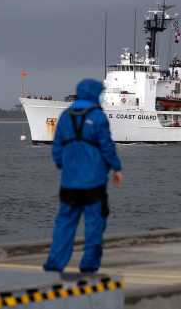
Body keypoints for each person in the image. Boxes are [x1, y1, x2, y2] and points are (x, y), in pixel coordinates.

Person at [43, 79, 123, 273]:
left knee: (64, 224)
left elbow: (57, 148)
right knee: (94, 225)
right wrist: (116, 168)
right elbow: (107, 146)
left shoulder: (65, 116)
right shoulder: (98, 116)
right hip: (94, 183)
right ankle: (89, 265)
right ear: (95, 94)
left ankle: (55, 264)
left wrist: (65, 166)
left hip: (69, 183)